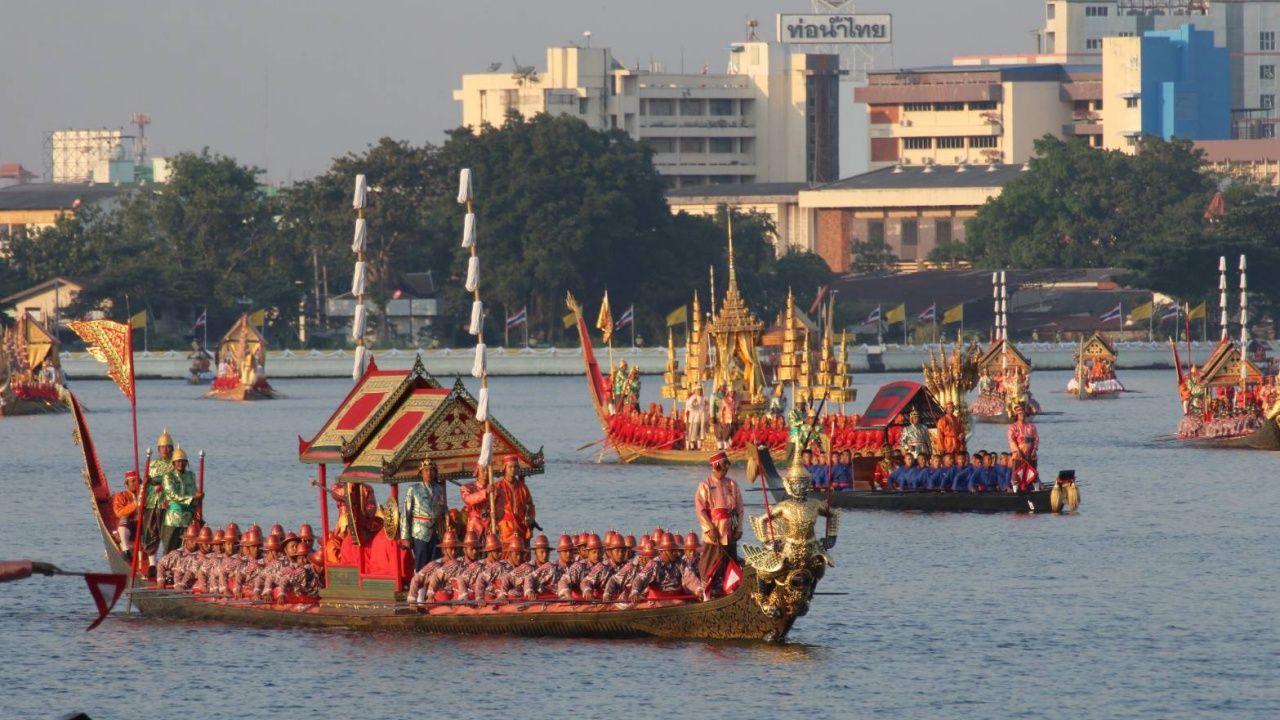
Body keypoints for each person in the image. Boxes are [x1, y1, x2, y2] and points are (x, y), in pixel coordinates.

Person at [695, 451, 744, 562]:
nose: (726, 468)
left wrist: (739, 529)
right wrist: (709, 528)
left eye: (727, 465)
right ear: (716, 465)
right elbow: (700, 510)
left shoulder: (732, 484)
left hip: (731, 530)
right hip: (714, 532)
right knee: (711, 564)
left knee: (730, 563)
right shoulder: (705, 485)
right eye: (724, 465)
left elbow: (740, 509)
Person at [400, 457, 447, 572]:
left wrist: (447, 514)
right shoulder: (413, 489)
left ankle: (432, 587)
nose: (429, 473)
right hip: (420, 531)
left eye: (431, 470)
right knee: (421, 563)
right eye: (426, 470)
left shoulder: (439, 489)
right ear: (421, 473)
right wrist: (405, 537)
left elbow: (443, 507)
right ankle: (419, 587)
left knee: (436, 562)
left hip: (436, 531)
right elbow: (406, 513)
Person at [159, 446, 200, 557]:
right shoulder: (168, 476)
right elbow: (173, 495)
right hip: (173, 518)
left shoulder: (191, 475)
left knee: (187, 551)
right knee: (170, 550)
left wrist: (198, 499)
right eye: (178, 461)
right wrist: (192, 499)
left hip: (188, 519)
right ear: (173, 463)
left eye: (183, 461)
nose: (180, 464)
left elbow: (194, 492)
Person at [496, 456, 536, 545]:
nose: (513, 469)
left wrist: (530, 519)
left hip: (521, 527)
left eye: (515, 467)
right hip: (505, 527)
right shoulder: (497, 486)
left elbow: (530, 506)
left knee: (522, 553)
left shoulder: (523, 487)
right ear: (505, 468)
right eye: (510, 467)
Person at [460, 464, 505, 538]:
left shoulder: (498, 491)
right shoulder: (466, 488)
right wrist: (485, 492)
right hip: (474, 526)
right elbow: (468, 499)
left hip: (491, 524)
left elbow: (501, 508)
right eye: (483, 470)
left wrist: (497, 515)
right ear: (477, 472)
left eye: (488, 470)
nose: (486, 473)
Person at [111, 470, 142, 551]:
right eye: (133, 481)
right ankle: (125, 549)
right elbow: (119, 513)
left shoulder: (145, 496)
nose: (136, 483)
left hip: (142, 526)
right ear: (127, 483)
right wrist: (135, 504)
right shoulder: (121, 496)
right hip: (128, 526)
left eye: (138, 481)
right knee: (124, 520)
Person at [684, 386, 708, 451]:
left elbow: (705, 408)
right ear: (695, 391)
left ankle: (699, 447)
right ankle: (692, 447)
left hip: (702, 417)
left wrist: (706, 406)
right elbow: (689, 407)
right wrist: (693, 404)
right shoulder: (692, 398)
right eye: (698, 390)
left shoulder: (704, 398)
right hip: (694, 417)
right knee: (693, 432)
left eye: (700, 390)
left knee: (700, 432)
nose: (699, 392)